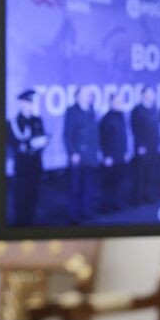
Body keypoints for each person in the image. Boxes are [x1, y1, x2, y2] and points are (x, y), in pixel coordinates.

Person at [7, 89, 47, 226]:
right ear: (20, 103)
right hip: (22, 165)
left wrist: (41, 142)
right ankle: (20, 224)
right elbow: (13, 143)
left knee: (33, 194)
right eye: (26, 102)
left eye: (31, 102)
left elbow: (41, 137)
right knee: (21, 195)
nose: (29, 105)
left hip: (36, 163)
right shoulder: (14, 122)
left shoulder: (37, 120)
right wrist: (30, 144)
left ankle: (31, 222)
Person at [62, 87, 99, 221]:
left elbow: (94, 133)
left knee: (88, 186)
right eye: (85, 94)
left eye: (89, 94)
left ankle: (86, 212)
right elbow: (67, 135)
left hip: (90, 156)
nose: (89, 96)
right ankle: (74, 215)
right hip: (77, 156)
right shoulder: (72, 111)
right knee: (75, 187)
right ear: (77, 96)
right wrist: (72, 153)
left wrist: (97, 151)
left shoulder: (91, 110)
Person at [98, 89, 131, 213]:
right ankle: (107, 207)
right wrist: (106, 155)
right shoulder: (106, 118)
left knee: (119, 181)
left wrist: (126, 152)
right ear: (111, 102)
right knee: (109, 183)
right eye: (117, 101)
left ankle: (116, 204)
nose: (120, 103)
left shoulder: (121, 115)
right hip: (110, 157)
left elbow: (124, 136)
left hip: (121, 155)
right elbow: (102, 138)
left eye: (121, 101)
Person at [130, 87, 160, 205]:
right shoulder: (137, 110)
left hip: (153, 145)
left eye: (152, 93)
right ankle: (137, 198)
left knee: (151, 172)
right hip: (143, 146)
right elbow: (135, 129)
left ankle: (148, 195)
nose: (151, 96)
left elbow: (157, 128)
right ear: (143, 95)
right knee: (140, 173)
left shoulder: (154, 109)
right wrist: (140, 145)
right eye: (149, 93)